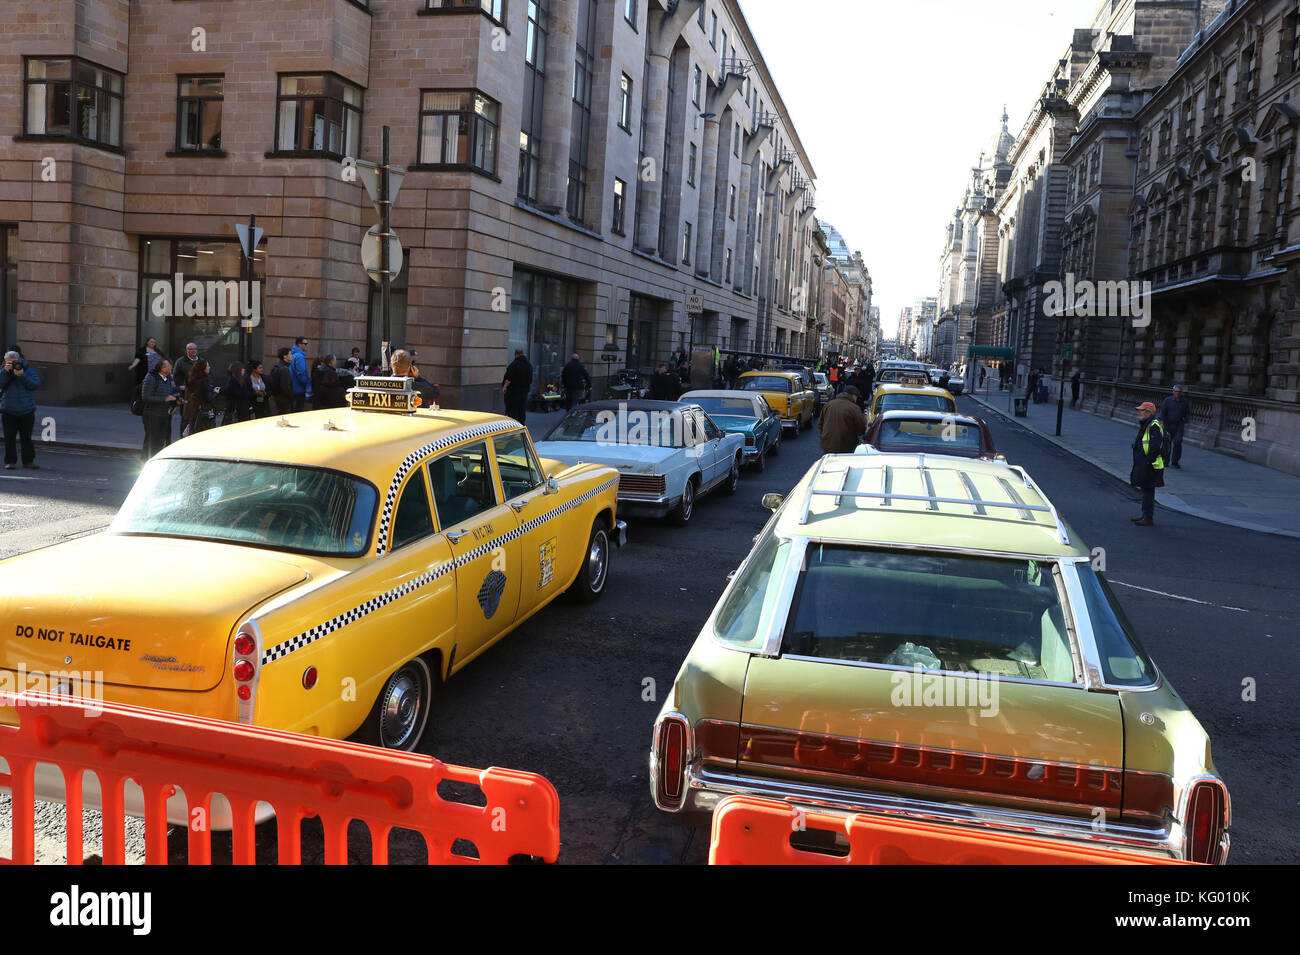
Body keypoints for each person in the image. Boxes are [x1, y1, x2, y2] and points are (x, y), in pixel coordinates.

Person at [1, 350, 40, 470]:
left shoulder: (28, 370)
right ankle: (10, 461)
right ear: (5, 362)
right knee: (9, 438)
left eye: (14, 362)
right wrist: (5, 372)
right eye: (9, 362)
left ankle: (28, 461)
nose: (12, 365)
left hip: (26, 410)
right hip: (8, 410)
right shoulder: (4, 371)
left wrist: (21, 375)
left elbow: (34, 385)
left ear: (19, 360)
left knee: (26, 437)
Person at [1130, 401, 1167, 527]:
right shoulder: (1148, 424)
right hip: (1146, 462)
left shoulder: (1153, 425)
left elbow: (1155, 447)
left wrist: (1148, 461)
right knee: (1146, 489)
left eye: (1142, 410)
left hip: (1151, 464)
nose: (1140, 412)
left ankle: (1148, 517)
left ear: (1148, 412)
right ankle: (1145, 515)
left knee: (1148, 490)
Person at [141, 358, 180, 458]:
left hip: (164, 414)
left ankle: (156, 460)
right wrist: (164, 399)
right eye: (169, 365)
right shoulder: (151, 378)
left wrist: (175, 401)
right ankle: (146, 461)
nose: (171, 367)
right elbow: (145, 397)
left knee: (161, 441)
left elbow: (169, 393)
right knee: (151, 441)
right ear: (162, 368)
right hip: (152, 415)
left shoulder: (167, 378)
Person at [819, 385, 866, 454]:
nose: (857, 399)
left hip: (827, 444)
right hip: (846, 447)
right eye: (857, 397)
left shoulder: (828, 404)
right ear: (853, 395)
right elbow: (861, 430)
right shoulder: (854, 408)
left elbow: (820, 424)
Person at [183, 359, 218, 436]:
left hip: (193, 412)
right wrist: (215, 392)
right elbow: (209, 398)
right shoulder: (204, 380)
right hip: (204, 414)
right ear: (203, 368)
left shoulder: (192, 380)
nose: (209, 367)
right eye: (208, 366)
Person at [1160, 384, 1190, 469]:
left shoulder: (1184, 401)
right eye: (1176, 391)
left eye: (1179, 392)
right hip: (1168, 425)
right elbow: (1163, 412)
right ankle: (1165, 460)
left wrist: (1186, 420)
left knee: (1177, 442)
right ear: (1173, 392)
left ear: (1181, 393)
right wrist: (1162, 423)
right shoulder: (1167, 400)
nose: (1177, 393)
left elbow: (1187, 412)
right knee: (1167, 443)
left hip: (1179, 425)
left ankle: (1175, 462)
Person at [502, 348, 532, 424]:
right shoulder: (529, 365)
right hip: (524, 392)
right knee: (521, 410)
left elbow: (508, 379)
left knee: (513, 411)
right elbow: (530, 380)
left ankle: (513, 426)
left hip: (513, 392)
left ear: (516, 354)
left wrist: (504, 387)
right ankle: (521, 426)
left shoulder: (514, 365)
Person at [268, 346, 294, 415]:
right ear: (285, 356)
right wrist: (291, 395)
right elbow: (285, 386)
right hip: (283, 399)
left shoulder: (276, 367)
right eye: (290, 354)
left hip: (277, 397)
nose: (292, 356)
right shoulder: (284, 369)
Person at [290, 336, 311, 412]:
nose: (306, 345)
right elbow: (301, 373)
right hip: (299, 389)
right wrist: (307, 385)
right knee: (297, 411)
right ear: (299, 344)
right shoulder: (299, 357)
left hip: (293, 388)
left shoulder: (293, 355)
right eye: (305, 344)